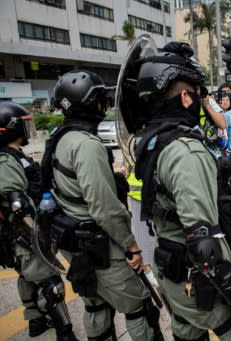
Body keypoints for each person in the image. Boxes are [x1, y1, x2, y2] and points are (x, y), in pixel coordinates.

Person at [120, 41, 231, 340]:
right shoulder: (185, 150)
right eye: (200, 94)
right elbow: (204, 243)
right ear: (186, 97)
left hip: (172, 272)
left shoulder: (151, 141)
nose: (203, 100)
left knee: (187, 333)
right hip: (200, 280)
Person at [45, 70, 162, 340]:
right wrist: (131, 246)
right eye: (100, 100)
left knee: (96, 305)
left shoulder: (60, 137)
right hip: (101, 246)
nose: (104, 106)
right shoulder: (86, 145)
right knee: (140, 308)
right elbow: (105, 208)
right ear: (88, 103)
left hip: (74, 241)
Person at [0, 102, 77, 341]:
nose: (28, 130)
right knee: (51, 283)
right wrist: (37, 234)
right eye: (24, 126)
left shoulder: (14, 155)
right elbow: (17, 202)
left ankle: (35, 321)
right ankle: (65, 333)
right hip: (25, 232)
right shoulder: (4, 160)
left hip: (24, 232)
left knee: (28, 277)